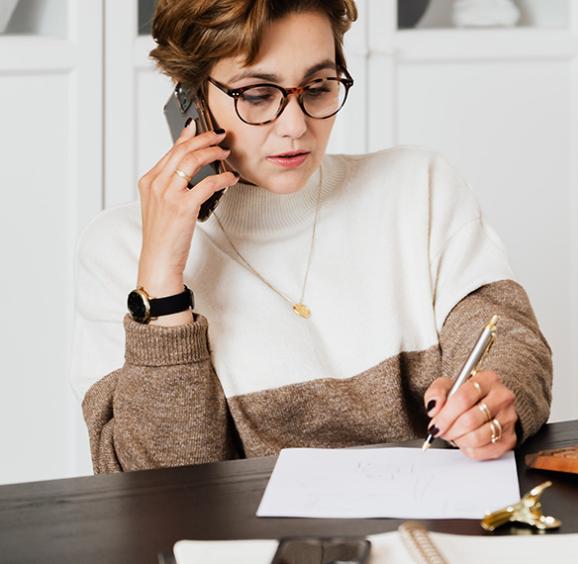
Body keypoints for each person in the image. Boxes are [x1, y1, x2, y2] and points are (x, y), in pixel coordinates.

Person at [71, 0, 552, 473]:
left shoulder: (418, 187)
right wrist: (162, 284)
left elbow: (511, 347)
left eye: (319, 87)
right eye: (258, 95)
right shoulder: (120, 249)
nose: (296, 126)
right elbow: (159, 482)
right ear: (191, 99)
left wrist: (494, 397)